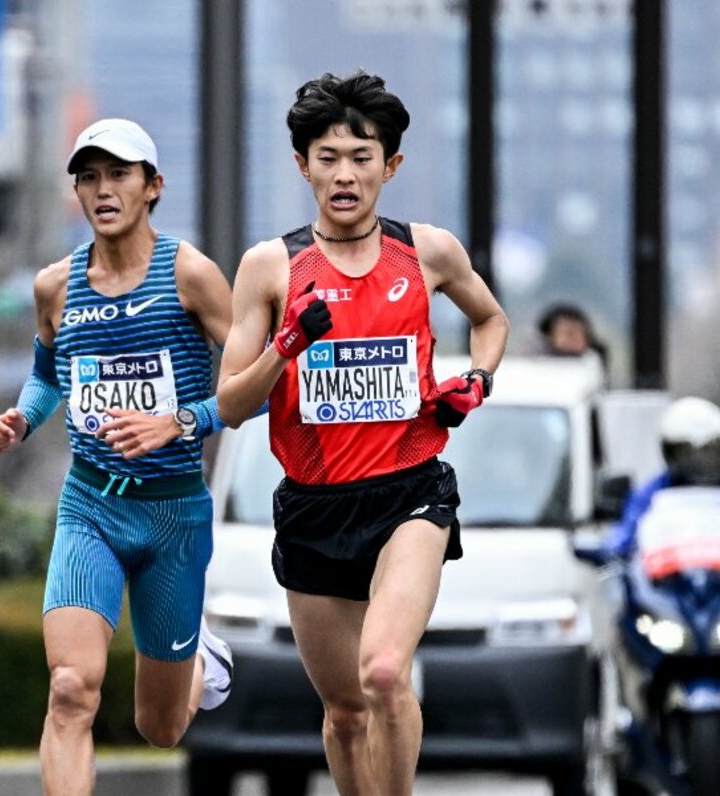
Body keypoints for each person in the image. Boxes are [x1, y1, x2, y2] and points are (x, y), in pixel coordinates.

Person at [216, 71, 509, 796]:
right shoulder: (270, 267)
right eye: (327, 157)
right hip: (315, 507)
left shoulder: (429, 252)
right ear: (302, 165)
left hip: (409, 495)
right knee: (345, 712)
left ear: (391, 166)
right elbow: (227, 404)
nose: (344, 174)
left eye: (361, 156)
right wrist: (285, 347)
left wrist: (477, 378)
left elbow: (491, 320)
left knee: (383, 672)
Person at [0, 118, 235, 796]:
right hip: (90, 505)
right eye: (88, 177)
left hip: (174, 514)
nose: (103, 189)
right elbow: (47, 375)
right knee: (70, 689)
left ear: (153, 187)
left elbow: (256, 384)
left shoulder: (190, 274)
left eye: (119, 175)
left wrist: (178, 422)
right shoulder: (55, 286)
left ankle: (200, 663)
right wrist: (21, 419)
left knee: (162, 727)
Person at [602, 396, 720, 559]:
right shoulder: (652, 491)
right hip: (672, 579)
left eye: (711, 451)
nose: (701, 462)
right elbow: (628, 529)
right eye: (687, 454)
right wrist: (614, 547)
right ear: (669, 453)